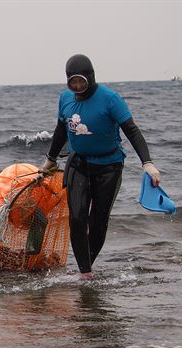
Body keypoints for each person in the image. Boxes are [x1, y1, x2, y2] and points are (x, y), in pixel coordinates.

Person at [41, 54, 161, 280]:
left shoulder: (110, 98)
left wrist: (148, 163)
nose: (77, 86)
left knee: (98, 221)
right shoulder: (65, 98)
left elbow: (132, 130)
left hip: (109, 167)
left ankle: (86, 269)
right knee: (76, 218)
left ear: (90, 78)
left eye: (81, 82)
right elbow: (60, 131)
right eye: (72, 82)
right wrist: (51, 158)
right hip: (78, 163)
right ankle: (85, 273)